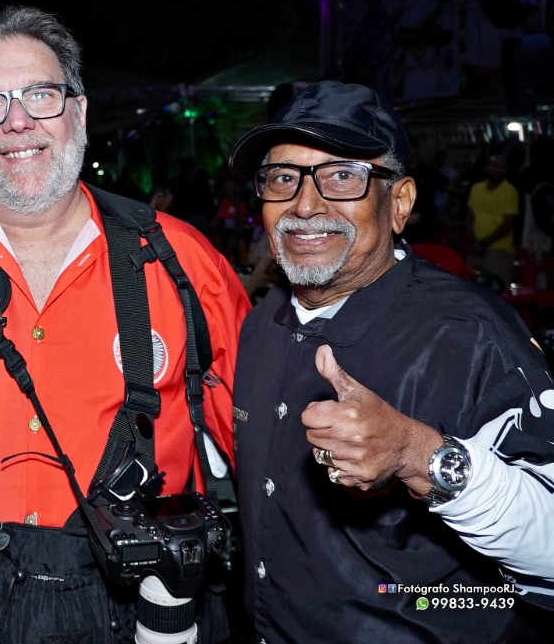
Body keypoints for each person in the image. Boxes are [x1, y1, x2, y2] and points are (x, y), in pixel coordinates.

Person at [0, 5, 251, 644]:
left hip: (141, 607)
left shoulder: (183, 262)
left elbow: (264, 452)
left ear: (78, 110)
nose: (16, 121)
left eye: (40, 95)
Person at [227, 80, 554, 644]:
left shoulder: (471, 335)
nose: (305, 204)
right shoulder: (262, 323)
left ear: (398, 203)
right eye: (282, 178)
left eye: (342, 176)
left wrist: (417, 454)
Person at [466, 144, 520, 288]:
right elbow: (470, 217)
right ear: (486, 168)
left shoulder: (510, 191)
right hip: (474, 249)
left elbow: (508, 223)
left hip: (498, 250)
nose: (499, 170)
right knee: (470, 289)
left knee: (497, 290)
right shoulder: (476, 189)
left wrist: (483, 243)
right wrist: (474, 241)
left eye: (503, 167)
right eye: (495, 166)